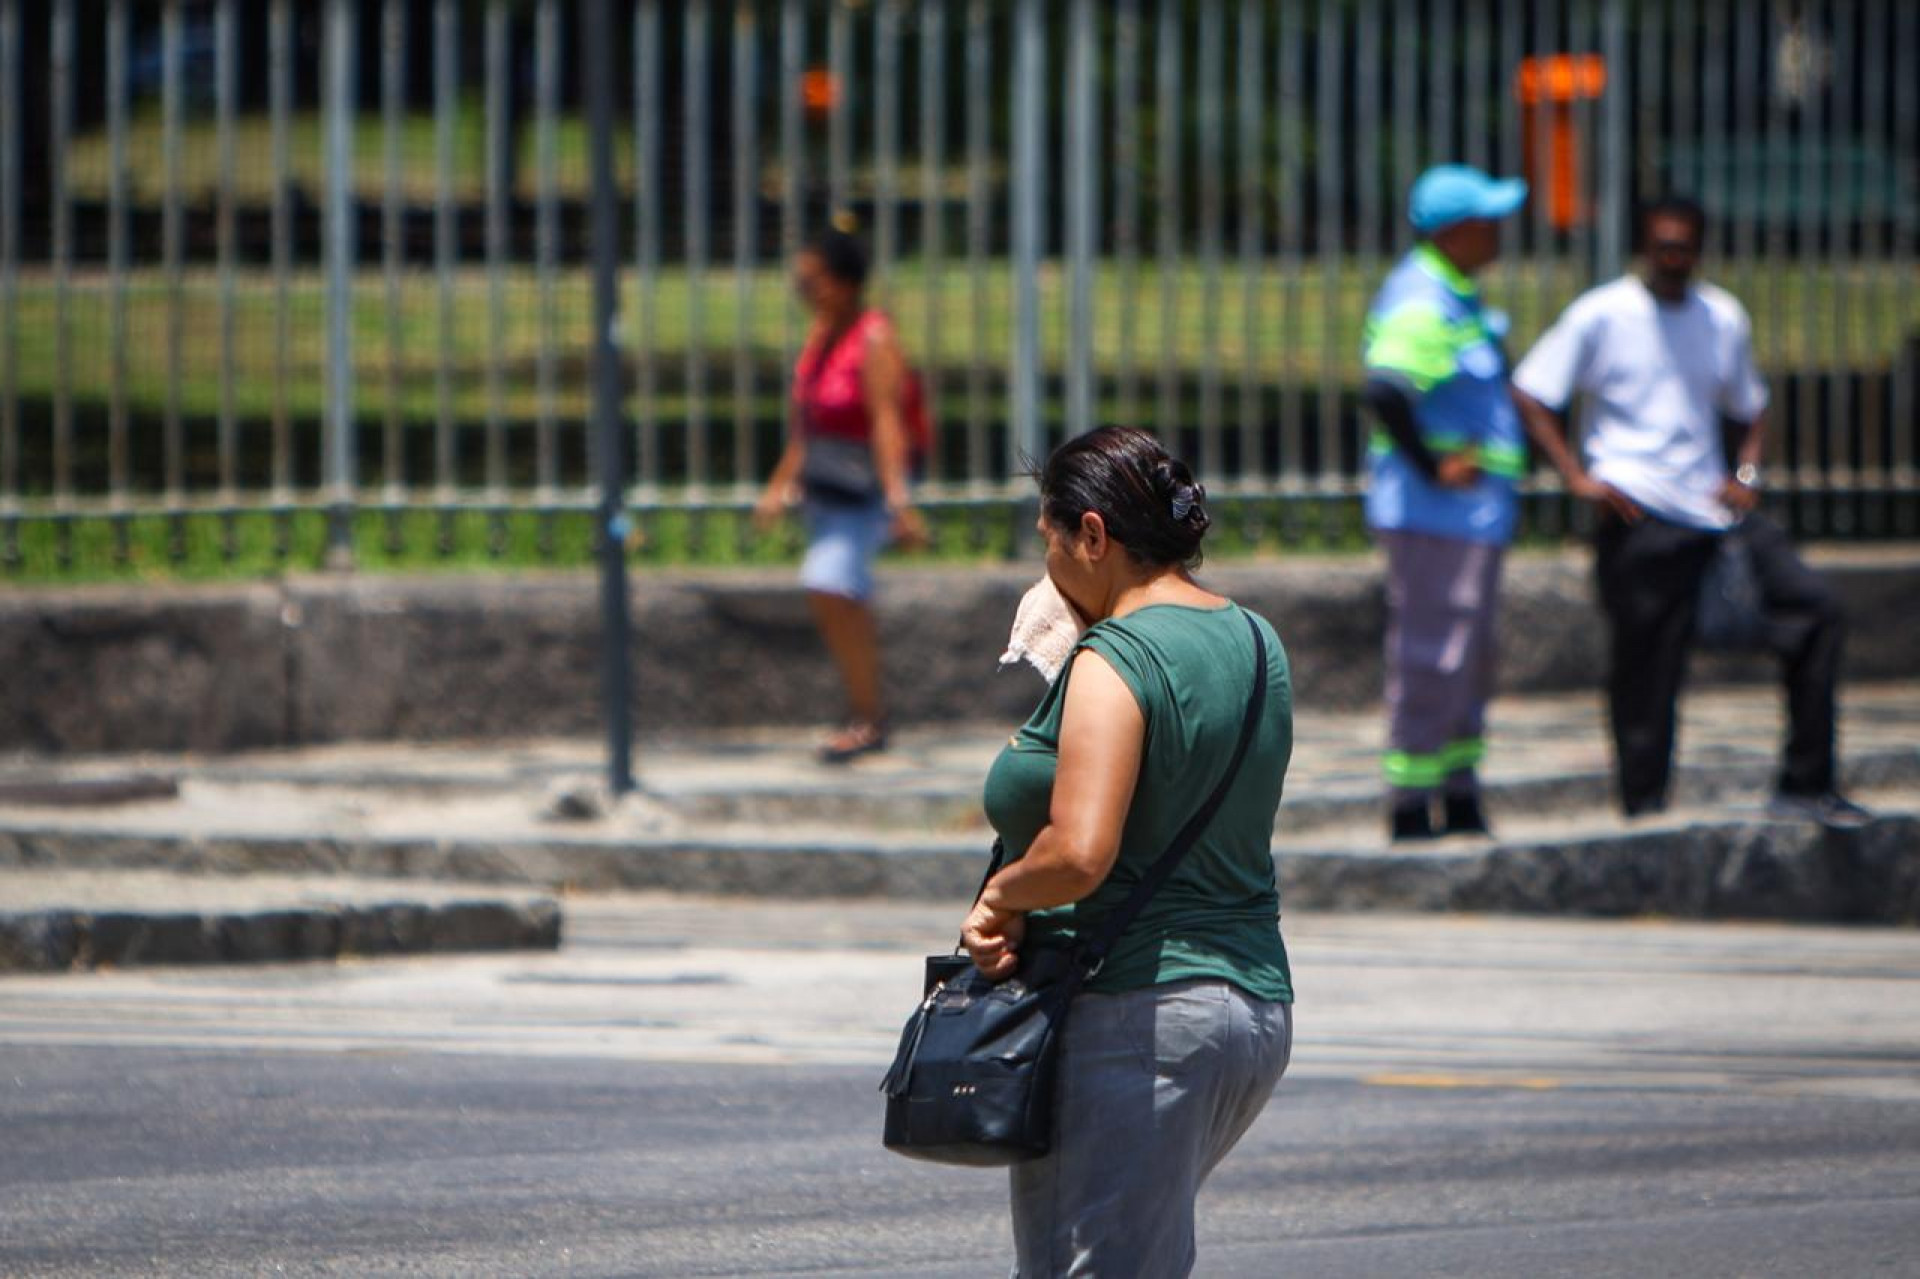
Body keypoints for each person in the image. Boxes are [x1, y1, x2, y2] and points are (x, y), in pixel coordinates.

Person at [961, 427, 1294, 1277]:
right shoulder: (1258, 642)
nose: (1046, 568)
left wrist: (1002, 897)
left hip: (1137, 1012)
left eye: (1052, 542)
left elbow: (1078, 852)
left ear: (1095, 536)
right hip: (1248, 1007)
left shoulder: (1118, 660)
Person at [1510, 195, 1870, 828]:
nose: (1673, 258)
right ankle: (1644, 809)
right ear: (1643, 249)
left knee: (1816, 610)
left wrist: (1748, 473)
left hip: (1712, 511)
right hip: (1636, 512)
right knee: (1648, 668)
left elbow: (1750, 404)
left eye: (1684, 247)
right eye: (1662, 246)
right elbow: (1533, 391)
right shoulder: (1602, 314)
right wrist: (1576, 477)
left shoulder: (1721, 315)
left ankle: (1808, 783)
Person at [1359, 164, 1529, 841]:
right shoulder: (1423, 297)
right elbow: (1386, 389)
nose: (1498, 231)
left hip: (1467, 516)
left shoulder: (1454, 291)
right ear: (1455, 231)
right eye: (1487, 220)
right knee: (1434, 654)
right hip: (1435, 515)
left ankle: (1458, 788)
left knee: (1468, 654)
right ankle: (1411, 800)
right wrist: (1433, 464)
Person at [754, 225, 928, 763]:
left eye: (813, 278)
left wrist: (899, 500)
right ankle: (864, 712)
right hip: (829, 484)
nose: (802, 288)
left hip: (865, 486)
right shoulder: (822, 337)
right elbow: (806, 426)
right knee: (836, 597)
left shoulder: (874, 338)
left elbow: (886, 422)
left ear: (845, 282)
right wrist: (779, 485)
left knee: (829, 583)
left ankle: (869, 716)